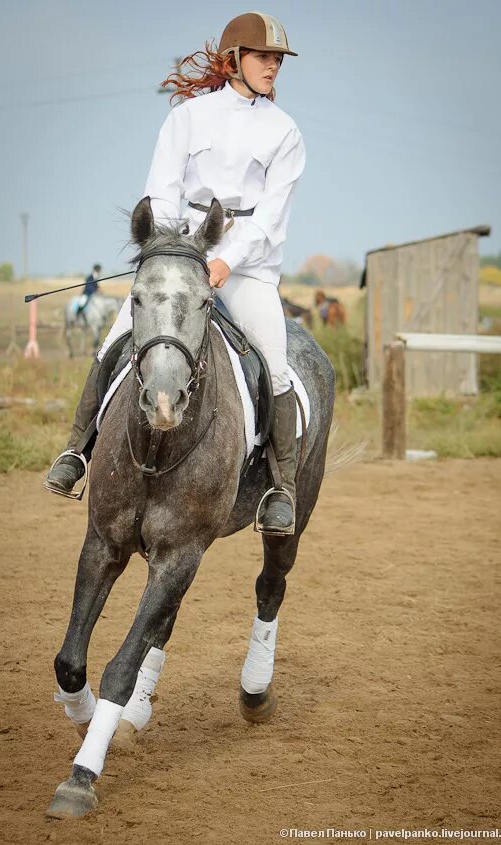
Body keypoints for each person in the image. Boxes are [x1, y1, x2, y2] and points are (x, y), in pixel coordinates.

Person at [45, 11, 306, 535]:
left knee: (275, 365)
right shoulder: (188, 119)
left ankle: (282, 488)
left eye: (277, 58)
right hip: (181, 253)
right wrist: (176, 253)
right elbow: (162, 190)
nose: (273, 66)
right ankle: (77, 450)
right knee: (117, 340)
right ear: (233, 60)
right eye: (263, 56)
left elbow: (273, 214)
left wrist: (226, 260)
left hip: (246, 266)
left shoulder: (285, 132)